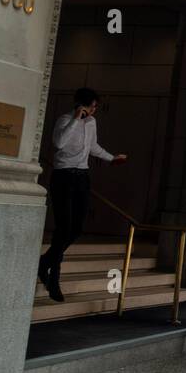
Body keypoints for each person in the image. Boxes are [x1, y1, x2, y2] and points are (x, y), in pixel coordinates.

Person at [38, 88, 127, 302]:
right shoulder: (65, 120)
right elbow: (58, 143)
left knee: (76, 228)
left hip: (82, 177)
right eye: (92, 106)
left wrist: (111, 158)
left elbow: (92, 146)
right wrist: (76, 120)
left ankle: (44, 263)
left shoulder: (92, 123)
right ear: (81, 105)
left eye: (95, 106)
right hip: (63, 177)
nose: (94, 110)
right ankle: (53, 281)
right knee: (63, 228)